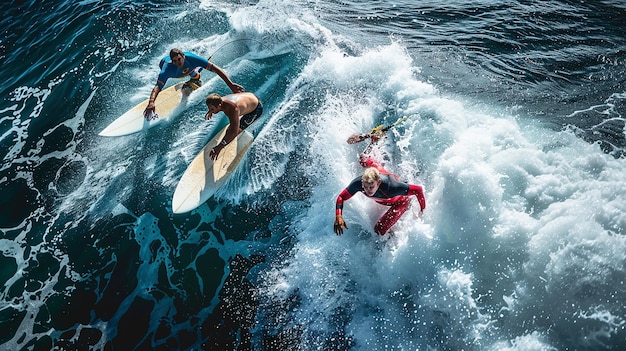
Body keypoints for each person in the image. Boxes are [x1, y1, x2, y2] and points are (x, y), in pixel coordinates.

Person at [143, 48, 244, 120]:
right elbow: (157, 87)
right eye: (175, 61)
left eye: (179, 59)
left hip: (189, 69)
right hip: (171, 68)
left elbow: (217, 70)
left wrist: (231, 85)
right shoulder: (167, 70)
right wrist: (151, 102)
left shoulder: (192, 59)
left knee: (189, 84)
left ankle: (195, 77)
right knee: (186, 71)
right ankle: (194, 74)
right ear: (172, 62)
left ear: (183, 56)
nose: (178, 62)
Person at [334, 162, 426, 236]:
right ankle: (373, 143)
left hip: (400, 202)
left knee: (379, 230)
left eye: (371, 187)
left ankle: (392, 237)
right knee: (363, 161)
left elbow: (418, 189)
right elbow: (341, 197)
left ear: (378, 183)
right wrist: (338, 216)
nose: (367, 190)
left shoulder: (391, 187)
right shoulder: (359, 184)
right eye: (365, 187)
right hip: (380, 174)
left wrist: (422, 210)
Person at [204, 92, 263, 160]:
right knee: (230, 129)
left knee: (236, 131)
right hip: (250, 96)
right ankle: (227, 141)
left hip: (255, 110)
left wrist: (219, 147)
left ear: (219, 105)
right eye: (209, 108)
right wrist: (211, 110)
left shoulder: (233, 109)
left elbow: (234, 132)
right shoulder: (218, 100)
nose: (211, 111)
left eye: (212, 109)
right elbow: (214, 105)